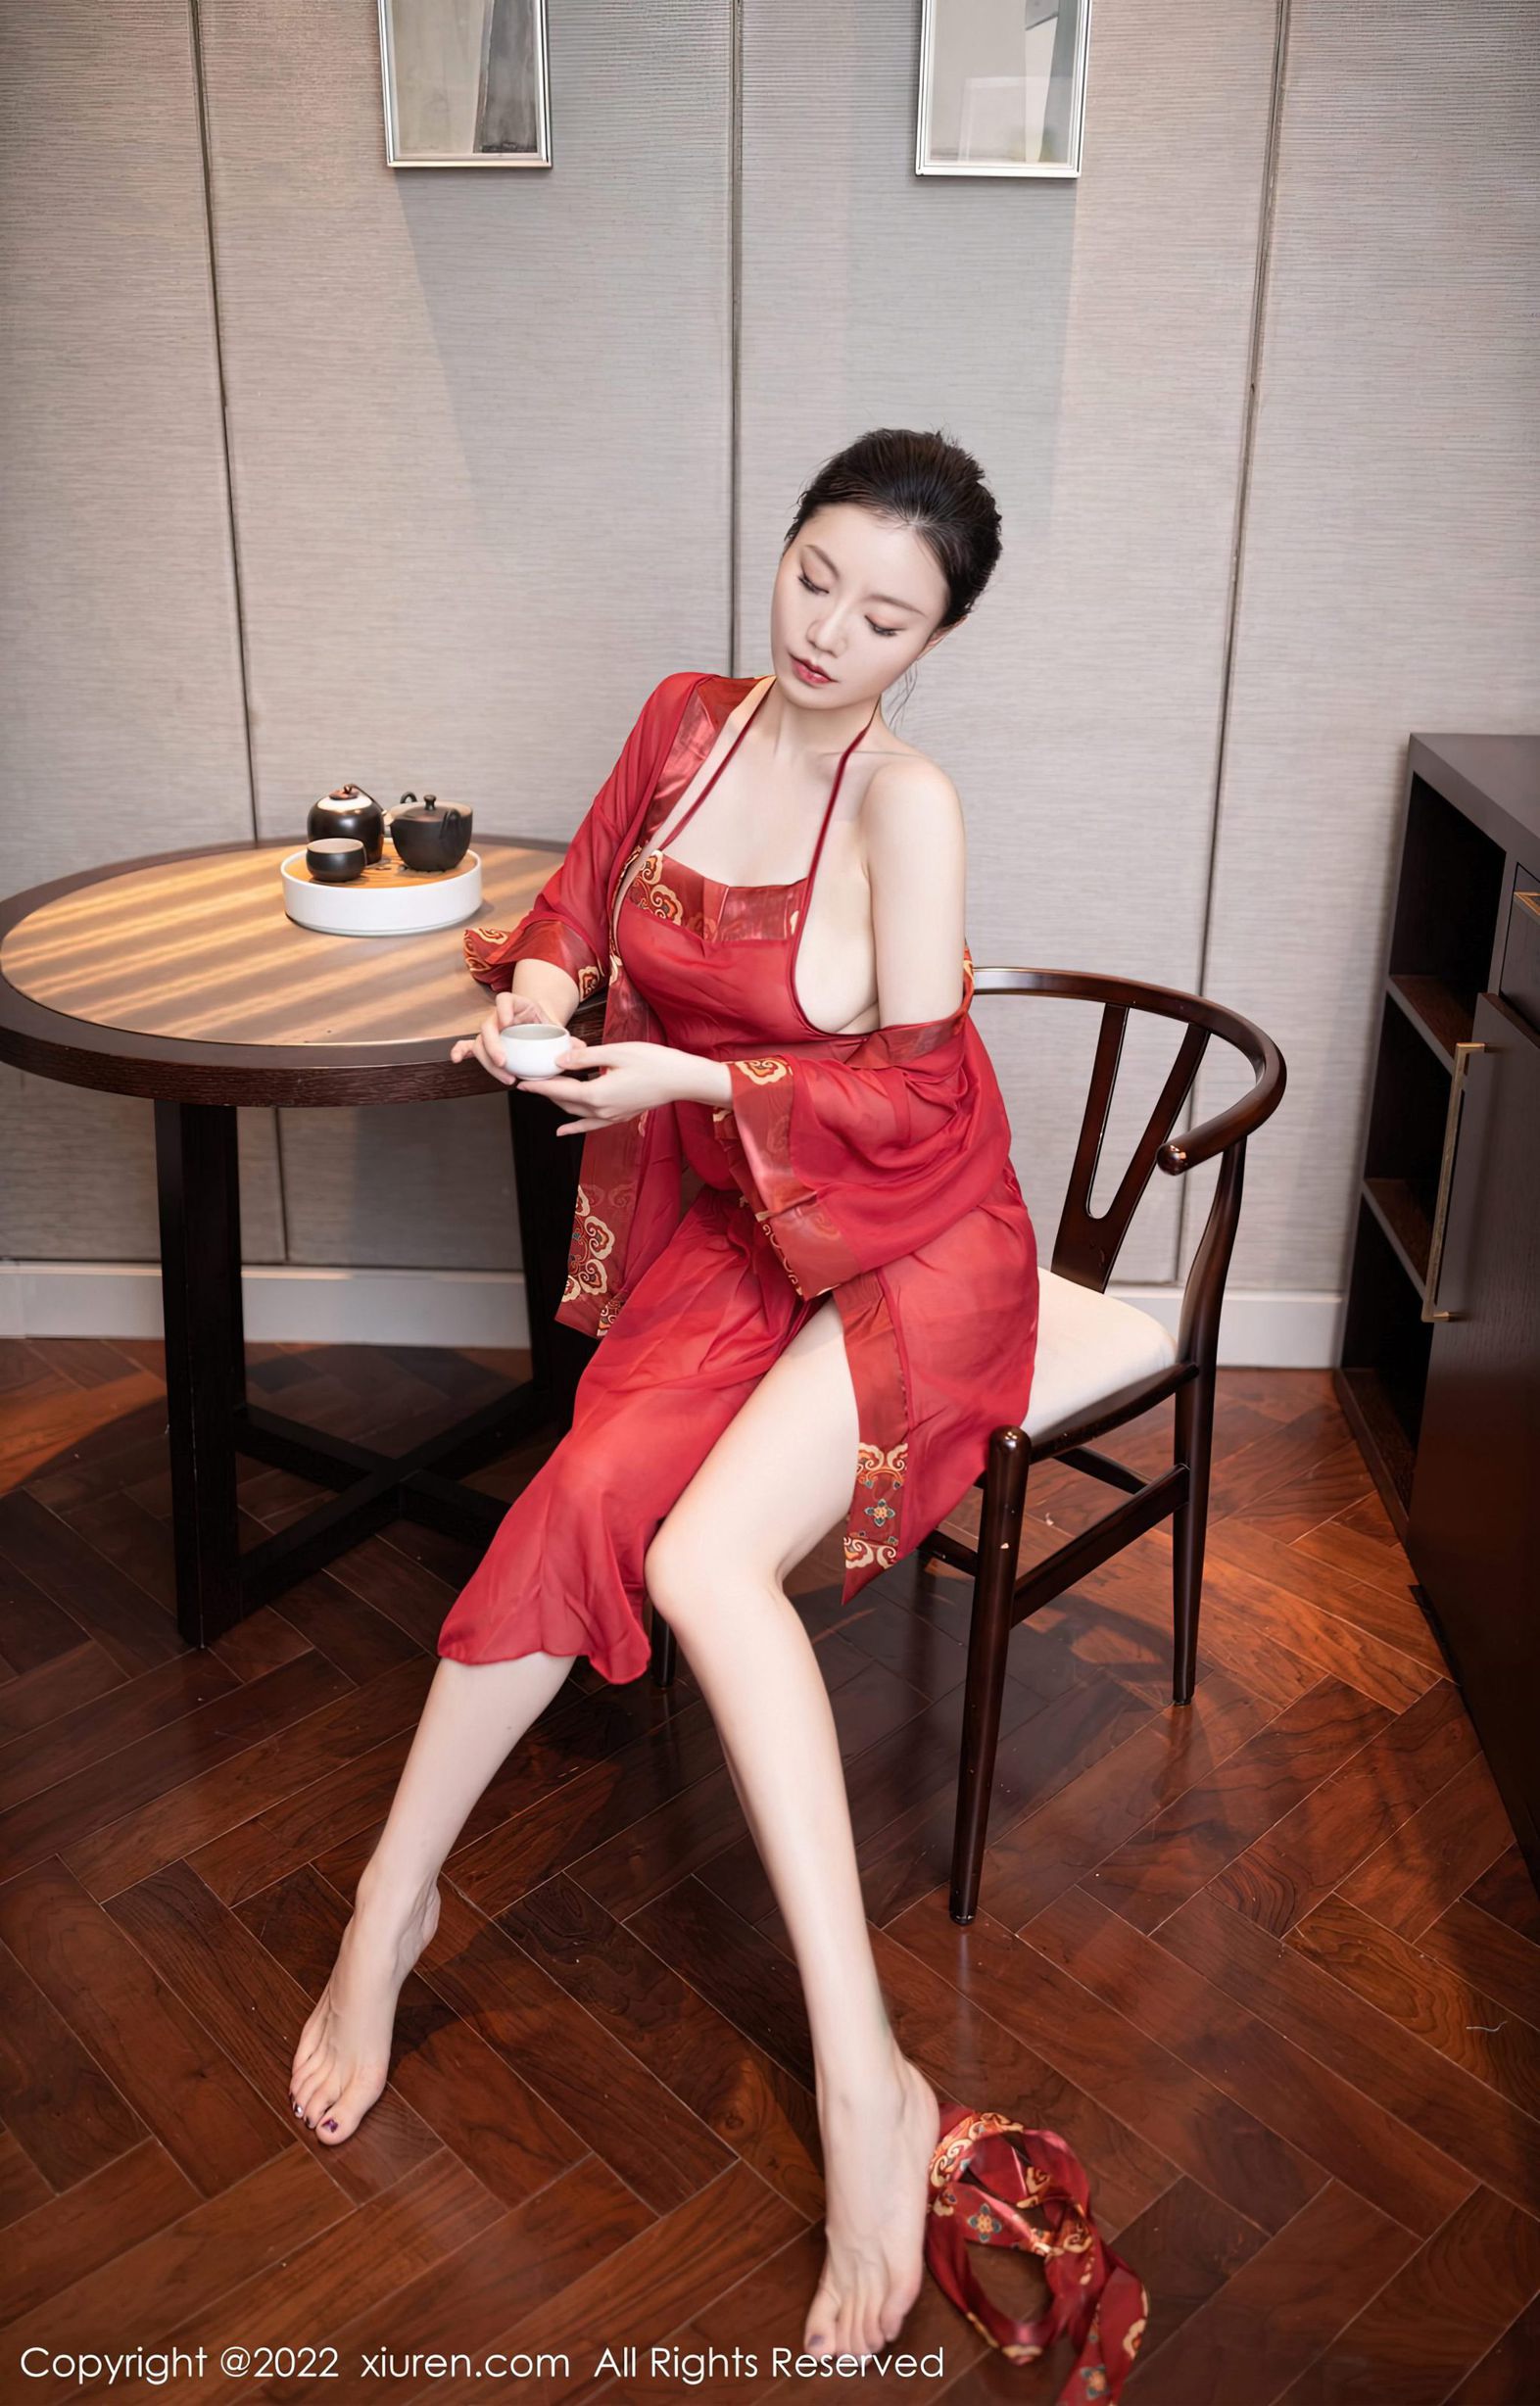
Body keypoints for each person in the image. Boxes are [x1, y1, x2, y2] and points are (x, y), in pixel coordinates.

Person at [288, 429, 1061, 2368]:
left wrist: (700, 1084)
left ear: (935, 641)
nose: (830, 631)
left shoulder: (908, 806)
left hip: (907, 1232)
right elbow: (573, 915)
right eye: (814, 575)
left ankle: (864, 2084)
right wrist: (541, 1012)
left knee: (708, 1564)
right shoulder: (680, 723)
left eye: (885, 616)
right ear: (783, 549)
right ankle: (388, 1909)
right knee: (578, 1496)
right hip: (733, 1228)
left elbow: (917, 1094)